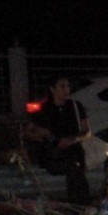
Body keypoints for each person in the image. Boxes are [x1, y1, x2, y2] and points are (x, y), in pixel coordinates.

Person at [23, 75, 93, 206]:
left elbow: (87, 132)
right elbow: (27, 133)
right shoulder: (44, 109)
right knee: (74, 170)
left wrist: (72, 139)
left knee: (75, 171)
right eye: (62, 86)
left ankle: (79, 209)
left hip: (73, 152)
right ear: (52, 89)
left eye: (68, 86)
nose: (67, 89)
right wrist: (40, 134)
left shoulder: (75, 106)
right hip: (52, 155)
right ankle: (82, 208)